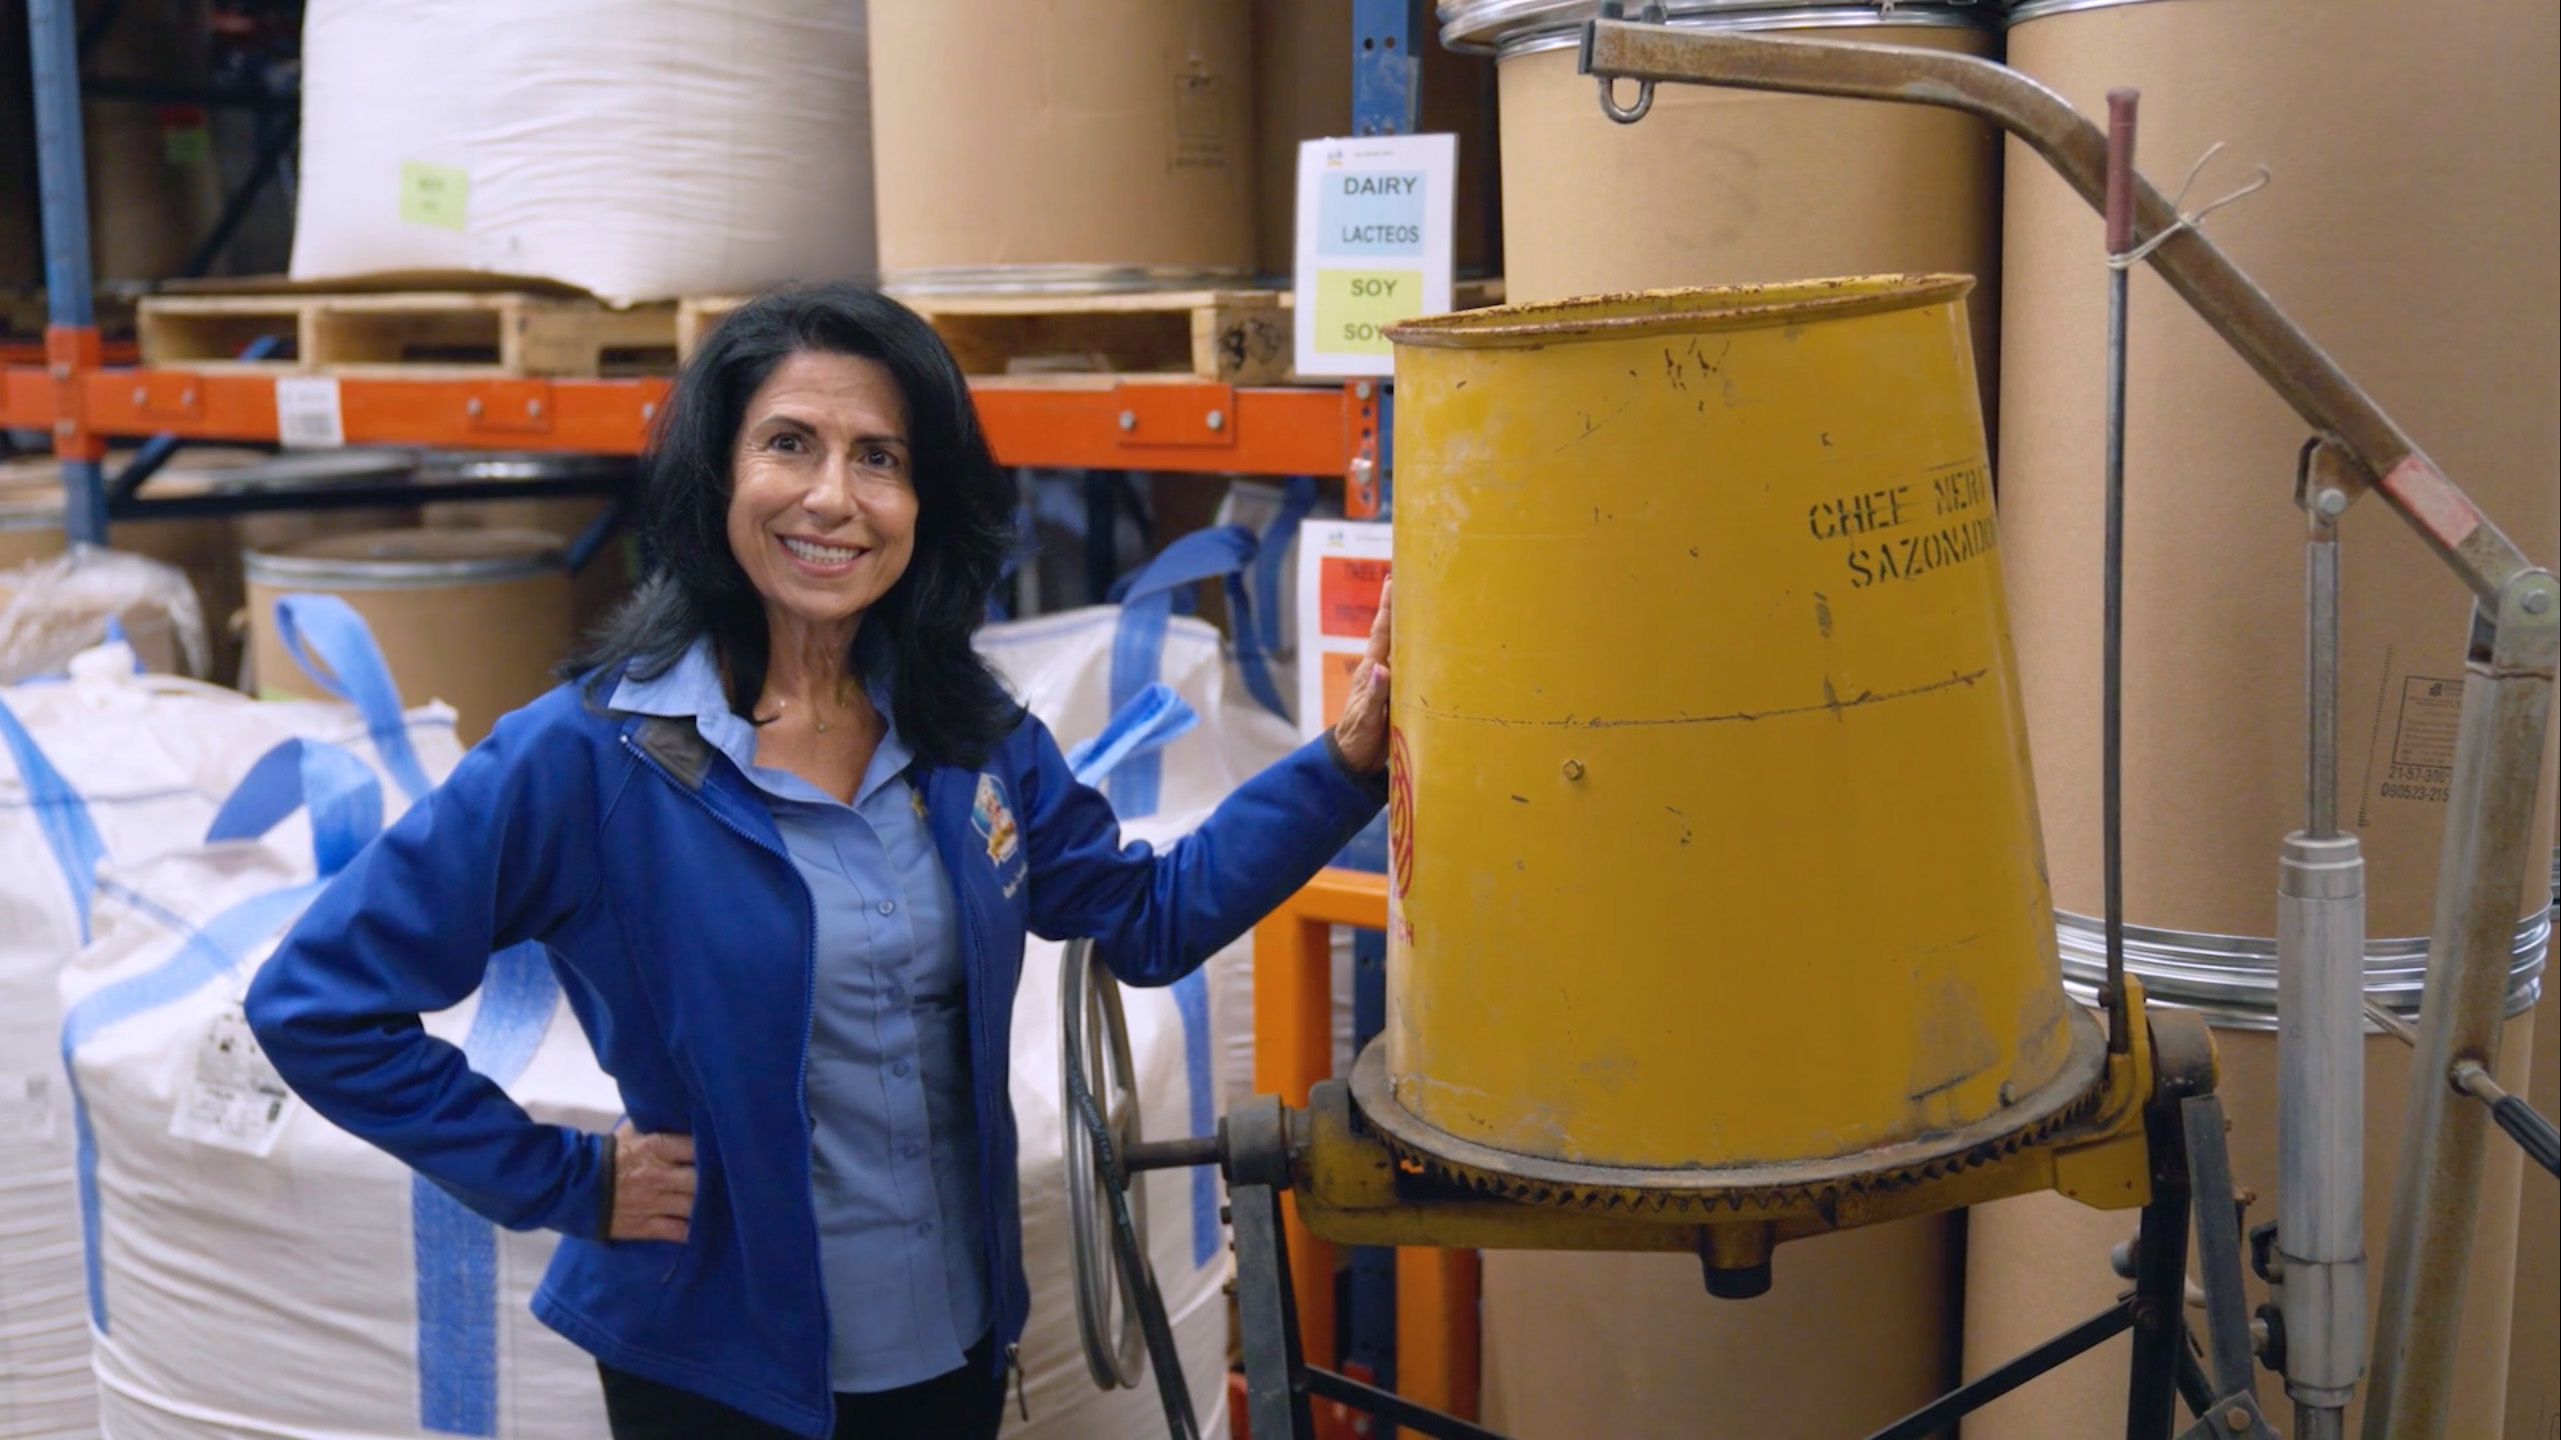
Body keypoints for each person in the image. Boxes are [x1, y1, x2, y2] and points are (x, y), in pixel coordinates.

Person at [245, 284, 1395, 1440]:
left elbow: (1148, 918)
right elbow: (316, 1002)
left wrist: (1344, 759)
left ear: (923, 501)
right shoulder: (590, 760)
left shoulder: (968, 738)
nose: (833, 498)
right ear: (717, 474)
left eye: (879, 458)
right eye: (788, 444)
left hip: (949, 1344)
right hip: (714, 1372)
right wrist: (567, 1180)